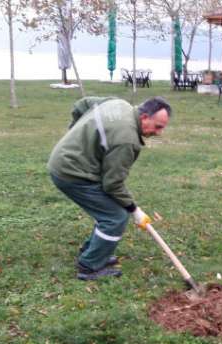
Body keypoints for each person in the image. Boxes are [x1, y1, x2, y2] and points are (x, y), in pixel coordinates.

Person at [48, 96, 172, 280]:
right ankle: (89, 266)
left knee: (108, 212)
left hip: (65, 161)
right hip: (72, 173)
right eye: (158, 126)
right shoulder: (127, 140)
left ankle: (93, 250)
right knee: (115, 217)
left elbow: (81, 104)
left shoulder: (119, 103)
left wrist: (74, 132)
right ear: (144, 117)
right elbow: (112, 184)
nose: (159, 133)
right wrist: (134, 210)